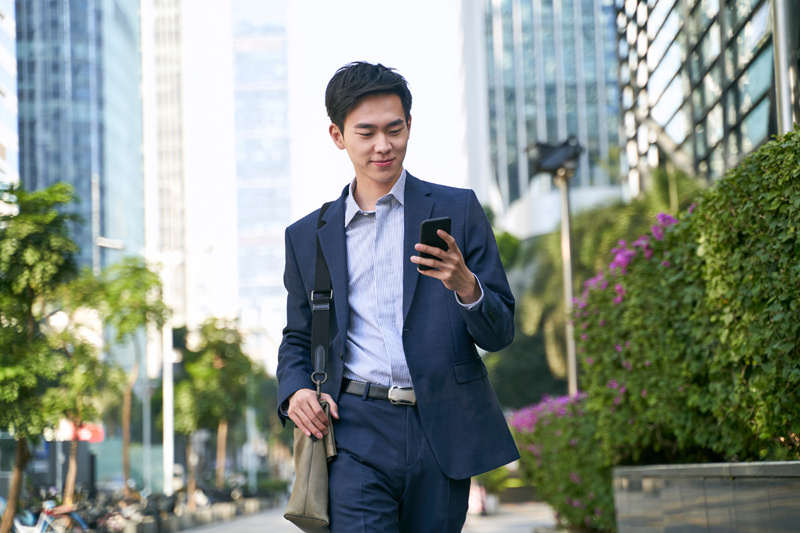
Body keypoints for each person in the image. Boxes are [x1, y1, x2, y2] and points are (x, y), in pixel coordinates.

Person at [277, 61, 518, 532]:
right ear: (337, 136)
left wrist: (466, 286)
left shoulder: (457, 210)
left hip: (442, 425)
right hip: (354, 428)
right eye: (365, 133)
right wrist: (295, 389)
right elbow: (298, 336)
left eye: (395, 129)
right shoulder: (307, 236)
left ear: (410, 126)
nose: (383, 145)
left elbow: (501, 330)